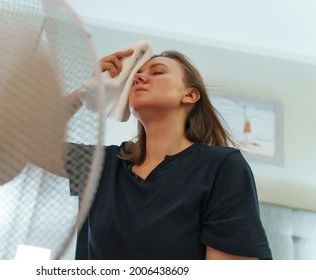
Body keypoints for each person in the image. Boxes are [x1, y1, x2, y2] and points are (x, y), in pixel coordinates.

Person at [65, 47, 272, 260]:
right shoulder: (103, 164)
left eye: (157, 72)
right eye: (137, 74)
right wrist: (85, 90)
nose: (138, 77)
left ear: (190, 94)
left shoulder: (222, 167)